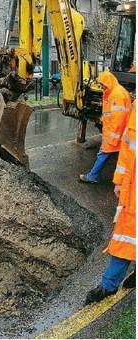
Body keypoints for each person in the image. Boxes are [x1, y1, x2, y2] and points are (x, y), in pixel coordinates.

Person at [85, 100, 136, 304]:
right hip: (133, 190)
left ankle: (109, 285)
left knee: (127, 236)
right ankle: (109, 284)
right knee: (125, 237)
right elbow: (128, 147)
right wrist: (119, 180)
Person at [80, 71, 132, 183]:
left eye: (103, 84)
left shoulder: (117, 95)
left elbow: (118, 120)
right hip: (116, 134)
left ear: (108, 82)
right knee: (122, 157)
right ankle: (127, 180)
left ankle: (93, 177)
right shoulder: (114, 92)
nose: (101, 87)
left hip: (115, 134)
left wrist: (113, 138)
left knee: (104, 154)